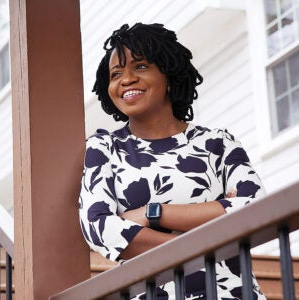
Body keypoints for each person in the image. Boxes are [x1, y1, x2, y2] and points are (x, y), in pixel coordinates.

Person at [79, 23, 266, 299]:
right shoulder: (105, 147)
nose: (126, 79)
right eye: (116, 73)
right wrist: (206, 231)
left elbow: (253, 205)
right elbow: (98, 227)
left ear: (168, 73)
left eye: (140, 66)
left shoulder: (217, 143)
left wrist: (151, 213)